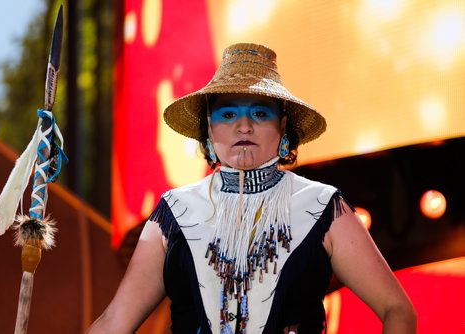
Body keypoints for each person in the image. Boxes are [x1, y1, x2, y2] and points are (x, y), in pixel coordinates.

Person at [87, 43, 416, 334]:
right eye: (228, 113)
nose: (244, 126)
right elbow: (115, 322)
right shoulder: (175, 211)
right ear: (208, 130)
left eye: (260, 113)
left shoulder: (322, 206)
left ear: (283, 127)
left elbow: (397, 311)